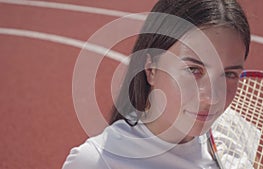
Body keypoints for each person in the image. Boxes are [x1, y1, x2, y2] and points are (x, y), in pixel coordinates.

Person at [62, 0, 251, 168]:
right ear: (151, 69)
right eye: (193, 70)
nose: (212, 98)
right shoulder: (96, 162)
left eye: (229, 74)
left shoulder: (235, 135)